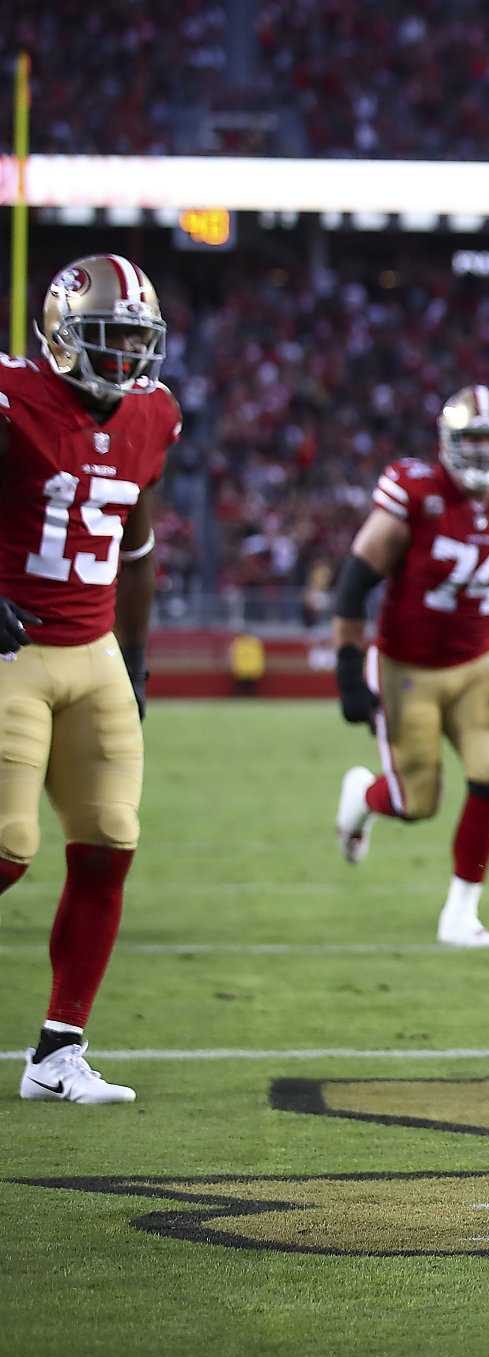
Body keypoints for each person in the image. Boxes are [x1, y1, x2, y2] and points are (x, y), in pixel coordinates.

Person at [0, 255, 181, 1103]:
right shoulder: (12, 397)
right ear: (63, 336)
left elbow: (138, 551)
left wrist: (137, 659)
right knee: (9, 849)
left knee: (109, 840)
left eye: (135, 343)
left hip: (96, 652)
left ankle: (56, 1054)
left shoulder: (155, 415)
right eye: (107, 342)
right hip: (13, 651)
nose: (123, 361)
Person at [330, 385, 489, 947]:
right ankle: (365, 799)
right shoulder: (415, 493)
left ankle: (461, 913)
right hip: (406, 666)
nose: (485, 454)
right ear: (448, 443)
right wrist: (346, 666)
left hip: (477, 665)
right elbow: (354, 583)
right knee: (417, 804)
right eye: (474, 441)